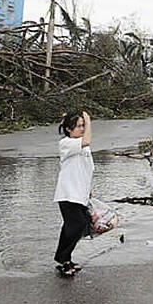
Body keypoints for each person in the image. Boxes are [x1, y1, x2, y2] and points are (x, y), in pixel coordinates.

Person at [53, 111, 92, 276]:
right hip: (68, 194)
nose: (82, 129)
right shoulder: (66, 143)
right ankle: (63, 260)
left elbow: (86, 168)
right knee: (76, 226)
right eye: (79, 126)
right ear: (69, 129)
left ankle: (65, 258)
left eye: (84, 126)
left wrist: (89, 188)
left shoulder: (83, 146)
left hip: (79, 193)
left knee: (78, 225)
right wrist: (89, 121)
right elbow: (87, 140)